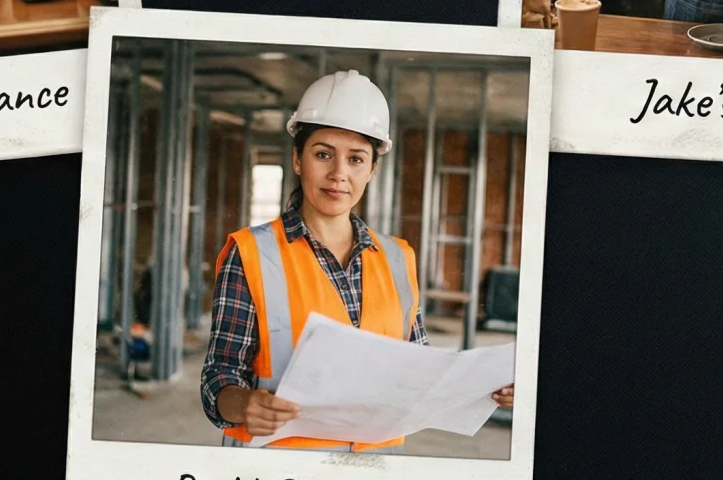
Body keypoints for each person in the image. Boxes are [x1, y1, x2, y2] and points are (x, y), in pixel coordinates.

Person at [200, 70, 514, 451]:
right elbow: (219, 375)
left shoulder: (399, 257)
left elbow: (421, 371)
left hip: (375, 475)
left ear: (372, 169)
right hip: (276, 477)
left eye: (356, 159)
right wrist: (244, 404)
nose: (338, 175)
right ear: (298, 160)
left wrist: (487, 389)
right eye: (323, 154)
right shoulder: (251, 252)